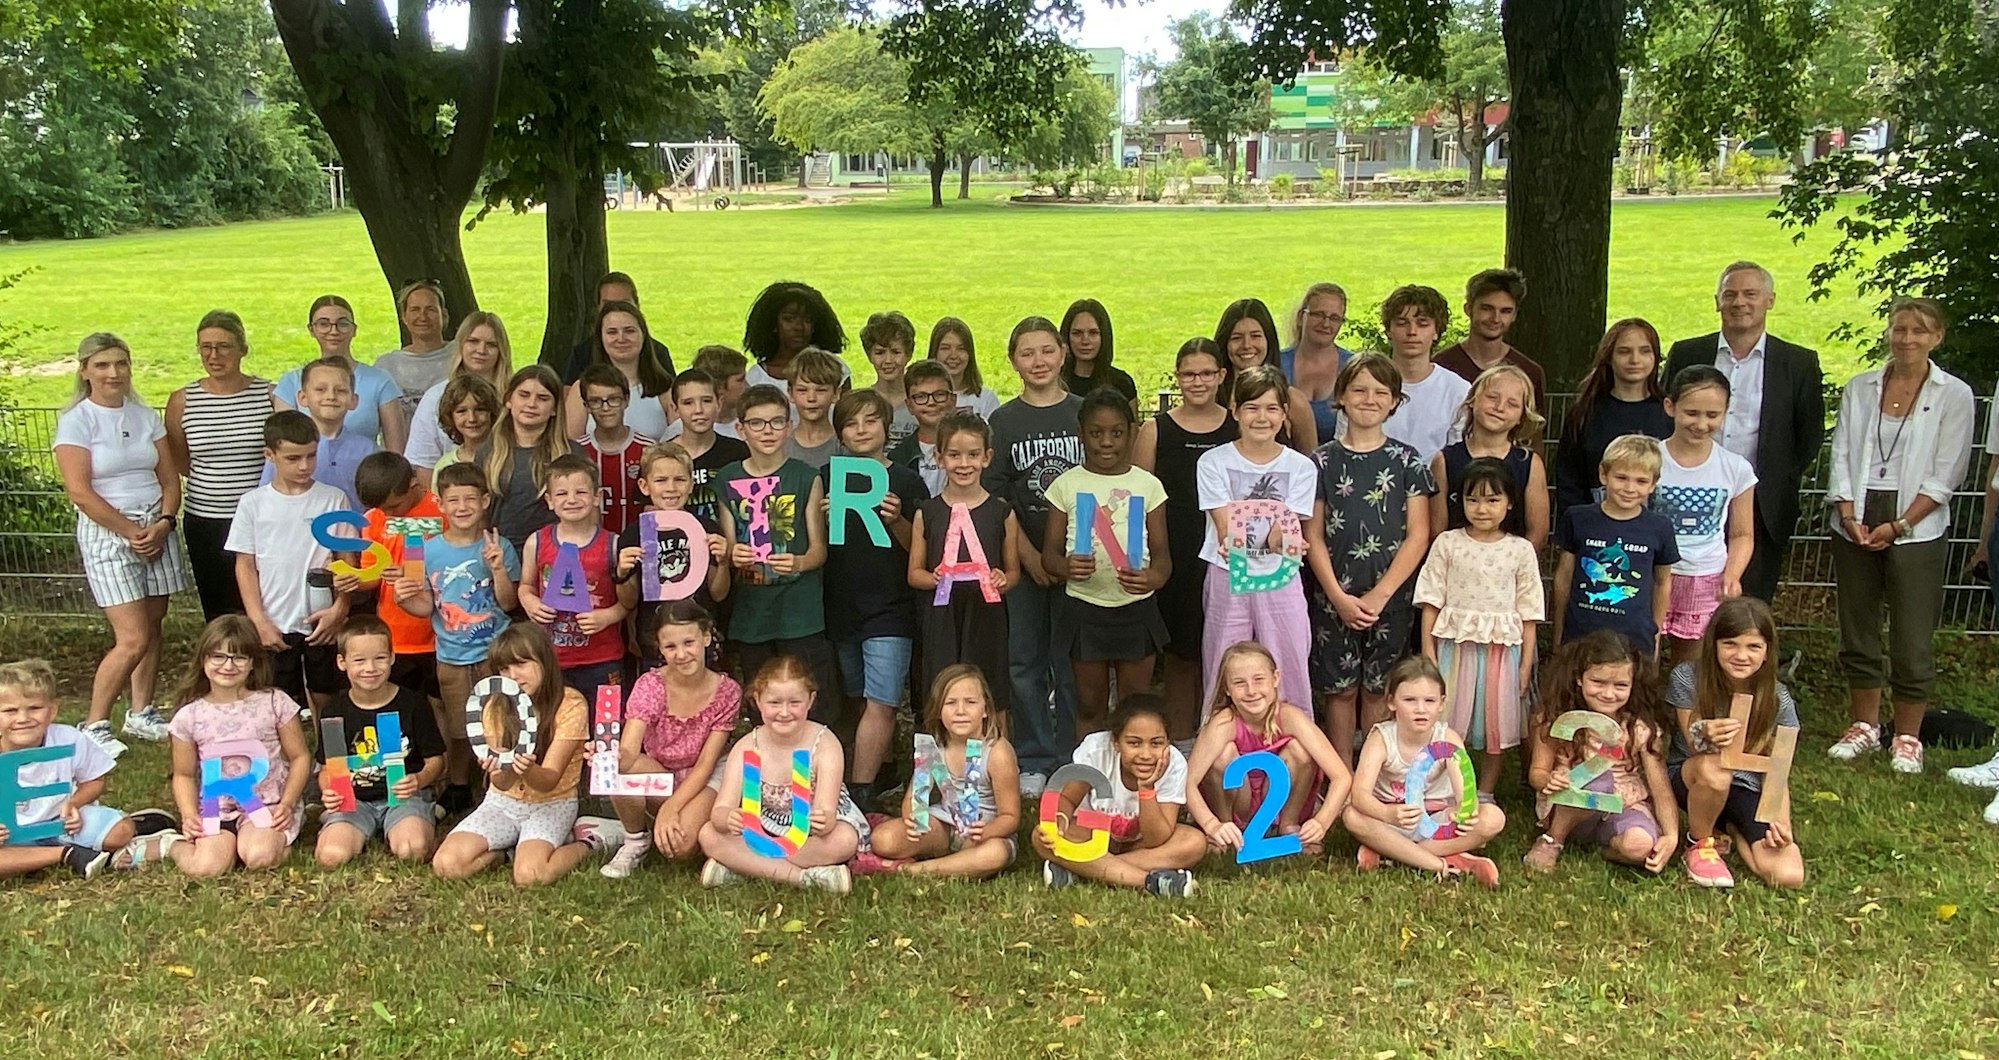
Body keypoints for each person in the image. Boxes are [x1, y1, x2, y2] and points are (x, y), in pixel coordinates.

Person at [1823, 297, 1972, 775]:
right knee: (1857, 626)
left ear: (1937, 337)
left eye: (1919, 330)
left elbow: (1949, 471)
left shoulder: (1954, 394)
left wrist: (1902, 523)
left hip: (1917, 524)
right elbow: (1842, 452)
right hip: (1856, 516)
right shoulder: (1861, 386)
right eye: (1900, 328)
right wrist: (1847, 512)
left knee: (1911, 635)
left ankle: (1907, 736)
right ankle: (1864, 725)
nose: (1907, 338)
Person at [53, 333, 188, 755]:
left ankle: (141, 711)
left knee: (152, 624)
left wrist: (164, 522)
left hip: (155, 528)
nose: (113, 373)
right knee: (131, 636)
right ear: (85, 371)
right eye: (102, 365)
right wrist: (130, 531)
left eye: (121, 364)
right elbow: (80, 491)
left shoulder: (145, 416)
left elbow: (169, 479)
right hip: (110, 533)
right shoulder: (77, 421)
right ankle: (94, 724)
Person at [1662, 261, 1826, 602]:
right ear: (1717, 301)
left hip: (1762, 506)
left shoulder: (1797, 363)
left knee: (1748, 607)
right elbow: (1666, 417)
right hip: (1686, 498)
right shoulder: (1688, 353)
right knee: (1675, 601)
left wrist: (1779, 476)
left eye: (1750, 294)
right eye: (1730, 294)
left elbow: (1809, 434)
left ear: (1770, 300)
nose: (1739, 302)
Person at [1305, 353, 1434, 763]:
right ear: (1341, 396)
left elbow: (1418, 535)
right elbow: (1313, 535)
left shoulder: (1407, 460)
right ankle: (1342, 771)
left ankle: (1374, 771)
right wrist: (1337, 596)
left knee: (1379, 687)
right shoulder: (1320, 462)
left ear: (1394, 401)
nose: (1369, 399)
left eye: (1381, 392)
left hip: (1391, 599)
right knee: (1340, 689)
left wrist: (1381, 595)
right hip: (1334, 596)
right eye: (1359, 389)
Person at [430, 624, 616, 886]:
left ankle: (591, 841)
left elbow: (549, 780)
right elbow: (501, 783)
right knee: (446, 864)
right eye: (504, 669)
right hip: (503, 802)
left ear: (544, 660)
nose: (513, 676)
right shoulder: (495, 705)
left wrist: (527, 769)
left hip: (552, 803)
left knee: (531, 876)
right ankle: (506, 853)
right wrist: (498, 768)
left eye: (521, 664)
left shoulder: (570, 703)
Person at [987, 317, 1085, 795]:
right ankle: (1033, 756)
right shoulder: (1003, 422)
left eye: (1047, 350)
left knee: (1071, 660)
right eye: (1027, 353)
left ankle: (1073, 753)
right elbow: (996, 496)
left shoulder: (1082, 413)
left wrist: (1068, 557)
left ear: (1063, 353)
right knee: (1024, 659)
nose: (1039, 361)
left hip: (1079, 562)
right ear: (1013, 361)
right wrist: (1028, 556)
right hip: (1023, 560)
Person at [1044, 388, 1171, 739]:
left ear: (1132, 433)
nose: (1106, 442)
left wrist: (1153, 578)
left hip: (1136, 609)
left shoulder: (1148, 485)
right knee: (1089, 705)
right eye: (1096, 433)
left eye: (1116, 433)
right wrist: (1066, 567)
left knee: (1134, 706)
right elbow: (1048, 556)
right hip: (1084, 609)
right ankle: (1089, 769)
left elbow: (1163, 558)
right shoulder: (1066, 485)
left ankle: (1131, 770)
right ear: (1080, 435)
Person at [1413, 457, 1544, 796]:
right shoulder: (1447, 543)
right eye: (1472, 499)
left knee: (1495, 722)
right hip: (1454, 647)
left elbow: (1529, 611)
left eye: (1492, 499)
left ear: (1510, 502)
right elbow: (1430, 600)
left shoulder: (1520, 549)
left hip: (1502, 650)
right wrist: (1428, 650)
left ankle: (1484, 791)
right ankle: (1444, 785)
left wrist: (1525, 665)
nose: (1481, 509)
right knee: (1447, 718)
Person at [824, 388, 927, 807]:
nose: (862, 429)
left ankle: (860, 796)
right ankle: (879, 770)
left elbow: (922, 550)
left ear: (887, 427)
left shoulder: (906, 481)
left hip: (891, 609)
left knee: (881, 700)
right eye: (851, 423)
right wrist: (818, 516)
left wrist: (898, 519)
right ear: (840, 434)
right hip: (840, 607)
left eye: (871, 420)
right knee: (855, 699)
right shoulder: (825, 479)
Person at [1198, 366, 1318, 723]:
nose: (1261, 417)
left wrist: (1288, 539)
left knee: (1288, 663)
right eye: (1251, 407)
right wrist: (1249, 540)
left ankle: (1294, 745)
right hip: (1228, 574)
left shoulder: (1302, 467)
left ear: (1284, 413)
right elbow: (1225, 527)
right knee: (1224, 663)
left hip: (1280, 577)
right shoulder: (1213, 462)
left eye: (1271, 408)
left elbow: (1285, 530)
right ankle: (1220, 745)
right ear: (1235, 410)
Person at [400, 461, 521, 814]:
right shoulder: (426, 549)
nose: (462, 507)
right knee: (458, 728)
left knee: (500, 722)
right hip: (451, 656)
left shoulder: (499, 546)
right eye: (454, 500)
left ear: (485, 500)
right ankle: (457, 784)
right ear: (440, 504)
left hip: (495, 653)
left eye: (470, 499)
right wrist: (403, 598)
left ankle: (498, 786)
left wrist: (497, 568)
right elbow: (427, 606)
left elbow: (509, 603)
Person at [1133, 338, 1238, 744]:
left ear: (1222, 375)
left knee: (1225, 648)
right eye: (1189, 374)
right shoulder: (1156, 430)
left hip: (1227, 551)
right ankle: (1180, 741)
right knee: (1180, 652)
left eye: (1207, 373)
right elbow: (1139, 499)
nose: (1198, 382)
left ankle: (1222, 740)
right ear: (1177, 377)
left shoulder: (1237, 425)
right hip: (1175, 550)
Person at [1665, 596, 1805, 888]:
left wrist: (1781, 824)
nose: (1741, 655)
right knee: (1715, 770)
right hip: (1693, 778)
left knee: (1788, 875)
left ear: (1767, 652)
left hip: (1746, 787)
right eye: (1730, 644)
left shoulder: (1779, 700)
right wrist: (1705, 732)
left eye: (1754, 646)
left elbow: (1777, 771)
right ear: (1713, 645)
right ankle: (1700, 843)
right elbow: (1692, 743)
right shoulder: (1688, 678)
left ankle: (1730, 827)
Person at [697, 655, 864, 893]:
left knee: (844, 839)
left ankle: (746, 866)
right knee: (708, 835)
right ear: (758, 700)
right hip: (763, 827)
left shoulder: (824, 744)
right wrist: (728, 818)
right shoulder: (748, 747)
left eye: (794, 702)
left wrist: (823, 821)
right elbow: (721, 810)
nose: (784, 712)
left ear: (810, 700)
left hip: (807, 834)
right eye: (774, 703)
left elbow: (826, 814)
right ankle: (804, 878)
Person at [164, 615, 315, 876]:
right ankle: (170, 845)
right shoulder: (189, 716)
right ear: (203, 660)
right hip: (216, 809)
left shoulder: (274, 702)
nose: (228, 665)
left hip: (268, 803)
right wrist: (189, 815)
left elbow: (300, 757)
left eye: (239, 657)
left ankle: (262, 842)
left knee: (259, 857)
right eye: (218, 656)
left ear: (253, 662)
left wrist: (288, 803)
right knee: (207, 868)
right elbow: (183, 774)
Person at [0, 659, 175, 879]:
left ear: (52, 711)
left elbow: (95, 780)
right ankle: (67, 854)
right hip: (12, 836)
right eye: (10, 711)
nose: (23, 718)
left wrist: (74, 803)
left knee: (120, 832)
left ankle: (131, 828)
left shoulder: (68, 738)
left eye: (34, 708)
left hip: (63, 823)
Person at [600, 601, 738, 877]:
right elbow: (629, 750)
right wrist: (609, 756)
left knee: (680, 847)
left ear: (706, 637)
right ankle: (635, 839)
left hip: (705, 773)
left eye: (689, 643)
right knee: (615, 768)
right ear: (660, 649)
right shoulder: (650, 684)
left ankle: (698, 826)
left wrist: (670, 809)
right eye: (671, 647)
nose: (682, 654)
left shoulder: (727, 691)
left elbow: (705, 765)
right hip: (663, 769)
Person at [1523, 632, 1680, 875]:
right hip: (1571, 807)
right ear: (1579, 678)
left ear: (1632, 684)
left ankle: (1606, 849)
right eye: (1598, 682)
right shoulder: (1555, 720)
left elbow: (1660, 788)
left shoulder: (1639, 728)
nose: (1608, 694)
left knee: (1641, 846)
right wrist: (1549, 780)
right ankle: (1553, 839)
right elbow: (1537, 773)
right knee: (1599, 779)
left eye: (1620, 685)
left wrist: (1671, 835)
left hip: (1623, 805)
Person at [1342, 656, 1505, 886]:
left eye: (1429, 701)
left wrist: (1465, 812)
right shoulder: (1381, 738)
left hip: (1437, 821)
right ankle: (1439, 862)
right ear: (1391, 702)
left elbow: (1466, 793)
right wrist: (1387, 814)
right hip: (1393, 821)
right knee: (1351, 816)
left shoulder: (1448, 738)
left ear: (1441, 703)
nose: (1421, 709)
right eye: (1409, 700)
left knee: (1493, 819)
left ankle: (1394, 853)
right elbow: (1360, 795)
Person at [230, 411, 352, 718]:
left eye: (311, 456)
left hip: (320, 618)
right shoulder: (253, 503)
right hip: (274, 619)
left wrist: (340, 609)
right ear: (269, 455)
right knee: (276, 698)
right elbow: (245, 565)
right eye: (293, 458)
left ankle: (325, 747)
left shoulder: (333, 499)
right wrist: (258, 620)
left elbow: (347, 561)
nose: (304, 466)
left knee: (326, 694)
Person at [718, 386, 834, 704]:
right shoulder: (727, 478)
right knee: (761, 698)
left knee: (809, 696)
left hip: (800, 612)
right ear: (740, 429)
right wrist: (734, 553)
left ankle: (812, 742)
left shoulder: (806, 476)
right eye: (757, 423)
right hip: (752, 612)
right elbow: (728, 547)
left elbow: (818, 551)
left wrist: (799, 562)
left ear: (789, 426)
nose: (767, 431)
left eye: (777, 422)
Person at [1182, 642, 1352, 858]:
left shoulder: (1290, 717)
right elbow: (1187, 781)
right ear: (1227, 689)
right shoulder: (1223, 724)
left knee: (1300, 750)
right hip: (1238, 799)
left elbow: (1341, 776)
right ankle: (1226, 830)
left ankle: (1288, 826)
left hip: (1277, 796)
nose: (1251, 691)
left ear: (1275, 678)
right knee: (1223, 755)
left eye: (1259, 680)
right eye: (1239, 683)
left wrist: (1322, 822)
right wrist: (1211, 824)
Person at [910, 409, 1020, 730]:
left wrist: (1003, 579)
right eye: (954, 455)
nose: (964, 463)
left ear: (987, 458)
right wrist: (933, 578)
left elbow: (1013, 572)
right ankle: (940, 757)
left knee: (991, 688)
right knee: (941, 687)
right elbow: (914, 573)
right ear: (939, 457)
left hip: (986, 616)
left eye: (973, 455)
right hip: (942, 617)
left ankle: (995, 753)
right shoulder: (927, 512)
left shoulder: (1001, 512)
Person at [167, 309, 279, 623]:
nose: (214, 356)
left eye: (223, 346)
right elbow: (180, 458)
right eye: (206, 347)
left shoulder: (268, 395)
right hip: (206, 520)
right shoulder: (182, 401)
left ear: (242, 349)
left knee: (262, 604)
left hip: (260, 519)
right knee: (219, 608)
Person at [863, 664, 1023, 877]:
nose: (960, 711)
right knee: (883, 839)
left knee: (995, 854)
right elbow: (914, 797)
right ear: (938, 710)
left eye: (970, 702)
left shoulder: (997, 752)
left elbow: (1011, 817)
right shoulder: (935, 747)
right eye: (950, 703)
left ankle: (913, 869)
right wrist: (912, 816)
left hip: (987, 833)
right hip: (945, 824)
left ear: (985, 709)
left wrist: (987, 831)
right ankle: (955, 863)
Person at [1035, 693, 1203, 896]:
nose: (1146, 754)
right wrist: (1060, 820)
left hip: (1141, 845)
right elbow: (1067, 799)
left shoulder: (1174, 764)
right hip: (1092, 833)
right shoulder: (1095, 750)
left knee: (1194, 842)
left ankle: (1083, 869)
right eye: (1134, 743)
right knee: (1041, 837)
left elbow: (1156, 839)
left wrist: (1146, 788)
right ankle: (1150, 882)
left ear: (1168, 743)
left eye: (1156, 743)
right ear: (1116, 742)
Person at [313, 615, 446, 868]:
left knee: (412, 851)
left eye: (380, 658)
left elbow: (436, 761)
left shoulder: (413, 704)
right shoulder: (334, 710)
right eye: (359, 660)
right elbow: (329, 768)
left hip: (404, 798)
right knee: (331, 857)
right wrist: (329, 791)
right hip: (354, 800)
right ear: (342, 662)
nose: (370, 668)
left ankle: (420, 818)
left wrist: (419, 780)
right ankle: (343, 828)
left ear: (392, 657)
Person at [1652, 366, 1756, 663]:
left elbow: (1742, 534)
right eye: (1692, 413)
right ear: (1670, 407)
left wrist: (1732, 575)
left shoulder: (1736, 468)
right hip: (1652, 573)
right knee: (1644, 654)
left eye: (1712, 415)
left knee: (1691, 666)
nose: (1701, 424)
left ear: (1725, 412)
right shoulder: (1650, 458)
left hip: (1705, 577)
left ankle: (1683, 698)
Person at [612, 441, 730, 687]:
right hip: (655, 642)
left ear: (691, 484)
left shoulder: (707, 530)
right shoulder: (634, 533)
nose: (671, 488)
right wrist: (623, 572)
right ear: (644, 486)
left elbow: (719, 594)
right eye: (661, 480)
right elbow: (628, 602)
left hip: (701, 639)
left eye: (679, 480)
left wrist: (722, 563)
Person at [1552, 434, 1679, 652]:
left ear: (1653, 484)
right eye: (1621, 477)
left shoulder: (1660, 527)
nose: (1629, 488)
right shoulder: (1577, 518)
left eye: (1641, 481)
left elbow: (1662, 583)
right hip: (1580, 635)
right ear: (1603, 474)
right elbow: (1564, 577)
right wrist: (1558, 632)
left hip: (1635, 640)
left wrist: (1655, 634)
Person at [519, 454, 628, 703]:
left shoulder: (613, 544)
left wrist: (607, 616)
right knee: (555, 720)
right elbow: (525, 586)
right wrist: (529, 602)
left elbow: (629, 601)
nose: (571, 499)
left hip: (603, 658)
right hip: (551, 659)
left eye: (581, 492)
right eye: (561, 493)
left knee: (606, 722)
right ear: (549, 501)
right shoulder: (537, 541)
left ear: (597, 497)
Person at [1554, 319, 1673, 519]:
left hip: (1657, 524)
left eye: (1645, 351)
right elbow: (1570, 480)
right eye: (1624, 351)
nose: (1635, 359)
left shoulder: (1669, 413)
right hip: (1596, 523)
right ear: (1609, 357)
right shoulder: (1585, 413)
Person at [1430, 365, 1549, 551]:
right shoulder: (1444, 461)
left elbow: (1538, 532)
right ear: (1472, 400)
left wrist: (1514, 563)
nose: (1499, 407)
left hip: (1511, 565)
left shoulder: (1529, 464)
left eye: (1512, 404)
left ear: (1521, 416)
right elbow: (1437, 531)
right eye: (1492, 397)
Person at [274, 295, 407, 451]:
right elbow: (284, 446)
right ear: (311, 329)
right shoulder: (291, 382)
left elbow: (396, 450)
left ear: (354, 329)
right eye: (323, 324)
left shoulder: (379, 381)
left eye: (342, 324)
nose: (334, 331)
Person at [479, 365, 579, 552]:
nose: (531, 404)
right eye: (524, 395)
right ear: (509, 400)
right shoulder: (488, 452)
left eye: (543, 398)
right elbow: (480, 513)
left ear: (554, 409)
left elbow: (589, 514)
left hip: (555, 554)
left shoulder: (571, 453)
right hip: (501, 554)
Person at [404, 311, 514, 475]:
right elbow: (424, 464)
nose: (481, 350)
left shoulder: (516, 395)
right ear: (460, 345)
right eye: (473, 341)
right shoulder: (435, 397)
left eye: (491, 344)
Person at [262, 357, 376, 507]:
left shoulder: (368, 450)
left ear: (353, 400)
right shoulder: (287, 447)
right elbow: (267, 497)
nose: (331, 396)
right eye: (320, 390)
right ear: (303, 398)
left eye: (341, 390)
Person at [1433, 268, 1548, 416]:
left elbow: (1533, 428)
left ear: (1514, 315)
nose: (1495, 319)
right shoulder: (1441, 366)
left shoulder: (1529, 372)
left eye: (1505, 311)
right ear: (1468, 309)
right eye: (1487, 309)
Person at [1374, 285, 1469, 462]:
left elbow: (1459, 459)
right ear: (1388, 331)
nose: (1412, 332)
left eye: (1422, 324)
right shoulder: (1365, 385)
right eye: (1402, 323)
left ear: (1436, 331)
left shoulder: (1457, 390)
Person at [561, 300, 674, 443]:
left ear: (643, 335)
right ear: (601, 338)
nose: (621, 339)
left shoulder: (665, 389)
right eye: (612, 332)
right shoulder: (581, 389)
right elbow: (571, 445)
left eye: (629, 331)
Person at [1215, 298, 1318, 451]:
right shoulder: (1213, 397)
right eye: (1236, 338)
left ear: (1268, 340)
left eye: (1255, 336)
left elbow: (1310, 458)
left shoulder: (1294, 401)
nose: (1247, 345)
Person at [558, 271, 676, 385]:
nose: (616, 309)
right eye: (608, 304)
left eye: (624, 303)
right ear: (598, 307)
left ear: (637, 305)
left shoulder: (659, 353)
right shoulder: (582, 354)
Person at [575, 363, 653, 534]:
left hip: (640, 544)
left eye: (613, 399)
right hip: (593, 546)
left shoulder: (649, 450)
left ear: (626, 400)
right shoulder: (577, 452)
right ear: (586, 406)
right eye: (596, 401)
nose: (605, 408)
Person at [670, 367, 751, 527]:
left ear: (719, 403)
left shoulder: (737, 452)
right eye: (688, 403)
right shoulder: (662, 457)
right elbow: (648, 509)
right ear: (675, 409)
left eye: (706, 401)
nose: (698, 410)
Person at [1279, 282, 1352, 441]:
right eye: (1318, 315)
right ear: (1301, 317)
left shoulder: (1353, 367)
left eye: (1334, 318)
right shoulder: (1276, 364)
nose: (1325, 324)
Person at [374, 280, 458, 418]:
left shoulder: (460, 357)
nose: (423, 317)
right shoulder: (387, 365)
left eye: (430, 310)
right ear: (404, 317)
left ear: (444, 315)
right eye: (415, 310)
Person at [742, 281, 849, 386]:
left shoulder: (836, 369)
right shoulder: (756, 378)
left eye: (808, 320)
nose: (799, 327)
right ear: (772, 323)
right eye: (789, 319)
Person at [886, 360, 956, 494]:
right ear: (909, 406)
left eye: (939, 394)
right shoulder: (899, 457)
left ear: (953, 400)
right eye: (921, 397)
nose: (931, 402)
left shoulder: (972, 450)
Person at [1059, 298, 1137, 407]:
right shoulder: (1055, 383)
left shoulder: (1122, 384)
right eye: (1077, 333)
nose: (1085, 341)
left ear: (1104, 336)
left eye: (1093, 333)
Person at [429, 373, 501, 489]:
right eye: (462, 411)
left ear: (492, 413)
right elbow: (436, 499)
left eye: (480, 409)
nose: (472, 418)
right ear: (450, 416)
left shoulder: (506, 457)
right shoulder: (443, 465)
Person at [861, 311, 920, 447]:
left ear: (909, 354)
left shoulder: (921, 402)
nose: (888, 360)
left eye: (895, 352)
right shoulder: (861, 403)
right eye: (880, 353)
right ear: (869, 355)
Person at [928, 316, 1000, 419]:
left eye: (961, 349)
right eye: (945, 348)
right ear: (934, 352)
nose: (953, 356)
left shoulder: (986, 399)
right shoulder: (922, 398)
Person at [783, 348, 845, 469]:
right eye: (802, 390)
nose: (811, 398)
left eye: (821, 390)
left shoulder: (845, 445)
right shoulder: (780, 446)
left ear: (836, 394)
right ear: (790, 393)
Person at [691, 346, 750, 440]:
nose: (748, 386)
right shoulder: (685, 430)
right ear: (718, 386)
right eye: (740, 380)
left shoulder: (754, 422)